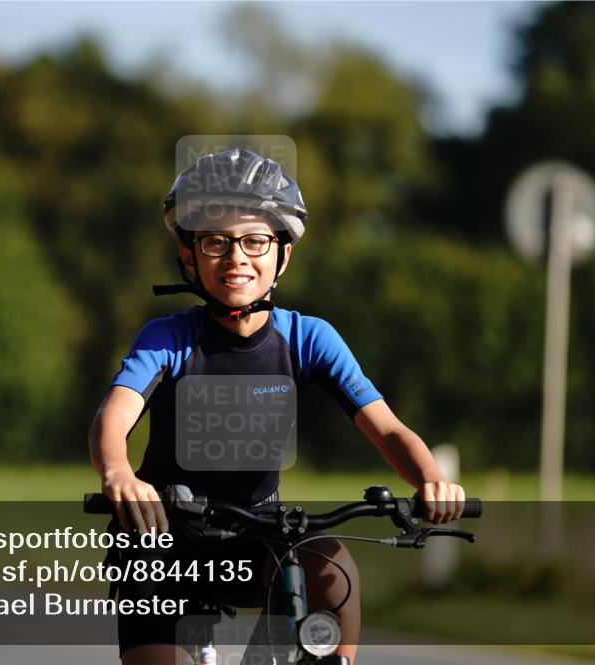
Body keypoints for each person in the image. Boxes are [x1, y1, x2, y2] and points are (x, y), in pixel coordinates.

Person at [88, 147, 466, 665]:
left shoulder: (309, 338)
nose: (237, 256)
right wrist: (118, 473)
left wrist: (428, 477)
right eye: (216, 241)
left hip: (258, 538)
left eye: (255, 240)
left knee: (333, 569)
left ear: (282, 254)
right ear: (188, 255)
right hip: (161, 539)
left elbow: (387, 429)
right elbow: (114, 417)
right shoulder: (168, 338)